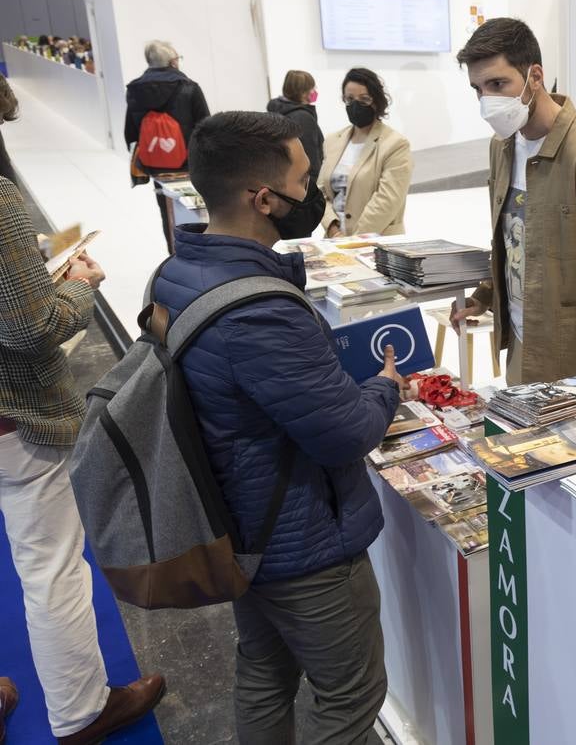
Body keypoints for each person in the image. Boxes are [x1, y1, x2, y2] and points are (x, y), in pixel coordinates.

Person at [153, 110, 408, 743]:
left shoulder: (178, 273)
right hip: (303, 543)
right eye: (303, 180)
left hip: (238, 527)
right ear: (263, 198)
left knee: (264, 669)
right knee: (350, 697)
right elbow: (344, 432)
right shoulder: (261, 310)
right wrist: (385, 388)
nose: (311, 194)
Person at [0, 76, 166, 745]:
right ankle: (79, 709)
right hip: (16, 419)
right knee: (52, 565)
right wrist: (77, 287)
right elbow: (30, 327)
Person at [452, 18, 576, 384]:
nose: (487, 101)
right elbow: (516, 240)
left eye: (497, 84)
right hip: (523, 346)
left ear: (534, 76)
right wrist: (486, 295)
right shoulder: (502, 147)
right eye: (478, 89)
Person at [123, 39, 211, 253]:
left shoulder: (135, 90)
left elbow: (131, 130)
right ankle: (203, 252)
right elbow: (205, 125)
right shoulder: (189, 87)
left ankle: (175, 252)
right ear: (173, 62)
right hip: (188, 161)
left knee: (167, 210)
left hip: (156, 163)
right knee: (199, 208)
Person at [318, 68, 412, 237]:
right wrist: (332, 229)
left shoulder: (395, 144)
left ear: (376, 101)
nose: (355, 105)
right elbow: (321, 192)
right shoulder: (333, 141)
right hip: (334, 243)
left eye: (364, 99)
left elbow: (387, 200)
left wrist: (353, 241)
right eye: (350, 99)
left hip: (377, 242)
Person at [265, 70, 327, 239]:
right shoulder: (302, 117)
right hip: (299, 195)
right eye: (311, 88)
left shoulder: (275, 112)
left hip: (280, 190)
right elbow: (309, 163)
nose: (314, 92)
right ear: (303, 92)